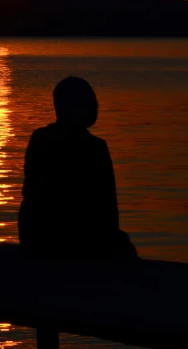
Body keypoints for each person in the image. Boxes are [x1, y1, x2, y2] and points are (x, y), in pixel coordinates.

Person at [18, 76, 137, 262]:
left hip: (36, 239)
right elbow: (108, 210)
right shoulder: (95, 147)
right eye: (91, 99)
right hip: (73, 243)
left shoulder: (39, 138)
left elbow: (30, 194)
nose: (97, 104)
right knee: (124, 246)